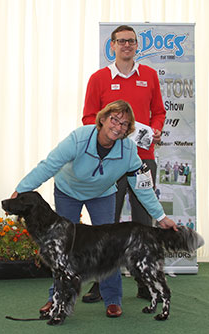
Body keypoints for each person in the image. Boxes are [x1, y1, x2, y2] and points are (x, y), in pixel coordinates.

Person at [10, 100, 177, 318]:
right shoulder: (79, 138)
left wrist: (161, 216)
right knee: (60, 251)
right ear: (103, 119)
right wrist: (21, 189)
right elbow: (49, 165)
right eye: (114, 119)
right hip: (68, 190)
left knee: (110, 247)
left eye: (124, 124)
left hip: (103, 194)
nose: (117, 127)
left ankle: (112, 299)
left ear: (129, 130)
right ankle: (56, 299)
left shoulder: (128, 151)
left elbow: (143, 187)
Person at [82, 25, 166, 302]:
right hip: (111, 162)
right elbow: (88, 118)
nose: (127, 46)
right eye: (121, 41)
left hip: (143, 159)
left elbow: (159, 112)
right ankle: (101, 283)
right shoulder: (99, 78)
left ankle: (146, 281)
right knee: (107, 225)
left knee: (144, 225)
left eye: (131, 41)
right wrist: (109, 135)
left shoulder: (150, 76)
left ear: (136, 45)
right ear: (113, 45)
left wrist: (155, 128)